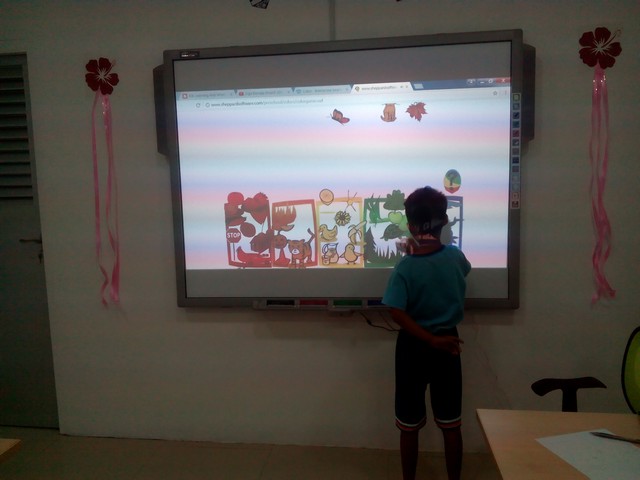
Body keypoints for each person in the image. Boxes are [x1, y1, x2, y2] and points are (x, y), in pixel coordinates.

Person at [382, 186, 471, 480]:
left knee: (409, 424)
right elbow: (460, 268)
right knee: (451, 423)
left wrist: (411, 249)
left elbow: (396, 311)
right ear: (444, 221)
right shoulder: (456, 257)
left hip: (413, 347)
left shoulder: (405, 267)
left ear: (410, 225)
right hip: (448, 343)